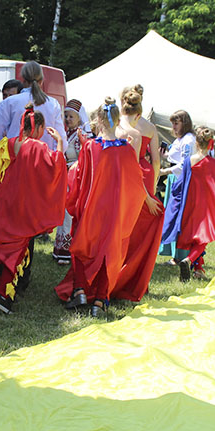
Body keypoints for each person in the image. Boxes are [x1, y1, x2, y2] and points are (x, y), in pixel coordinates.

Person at [55, 98, 146, 317]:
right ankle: (100, 300)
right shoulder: (126, 149)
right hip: (114, 211)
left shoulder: (90, 146)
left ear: (99, 120)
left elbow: (80, 175)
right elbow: (135, 179)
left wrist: (73, 198)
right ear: (117, 121)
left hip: (91, 207)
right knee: (108, 253)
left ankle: (79, 290)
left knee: (80, 247)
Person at [0, 104, 67, 313]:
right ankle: (3, 296)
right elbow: (56, 166)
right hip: (23, 210)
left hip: (2, 206)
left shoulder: (5, 144)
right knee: (18, 252)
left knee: (5, 247)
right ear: (39, 127)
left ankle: (1, 283)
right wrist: (60, 143)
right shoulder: (37, 147)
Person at [112, 84, 163, 301]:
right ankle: (138, 276)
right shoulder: (149, 127)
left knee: (124, 224)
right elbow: (157, 161)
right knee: (142, 229)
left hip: (123, 174)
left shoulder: (116, 123)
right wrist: (153, 185)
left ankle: (120, 271)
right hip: (144, 175)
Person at [171, 127, 215, 281]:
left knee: (194, 236)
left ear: (196, 143)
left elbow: (181, 182)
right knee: (204, 237)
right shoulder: (213, 163)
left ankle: (198, 269)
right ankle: (189, 260)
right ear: (211, 144)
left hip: (189, 204)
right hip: (206, 206)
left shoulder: (189, 161)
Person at [0, 61, 66, 152]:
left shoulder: (9, 102)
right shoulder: (53, 103)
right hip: (45, 157)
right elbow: (61, 140)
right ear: (41, 81)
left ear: (23, 80)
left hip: (15, 156)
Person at [52, 98, 89, 264]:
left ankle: (67, 252)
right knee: (63, 212)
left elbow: (84, 159)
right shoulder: (67, 134)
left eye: (71, 116)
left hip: (75, 178)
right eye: (66, 116)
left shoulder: (81, 136)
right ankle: (60, 249)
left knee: (69, 214)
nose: (67, 119)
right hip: (66, 177)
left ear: (79, 118)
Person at [160, 110, 195, 264]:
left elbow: (184, 163)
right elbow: (174, 156)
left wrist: (165, 171)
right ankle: (174, 253)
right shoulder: (180, 139)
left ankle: (180, 256)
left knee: (179, 216)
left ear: (184, 123)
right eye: (172, 123)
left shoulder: (188, 140)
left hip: (182, 179)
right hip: (175, 178)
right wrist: (164, 155)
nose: (173, 127)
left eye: (176, 123)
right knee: (172, 215)